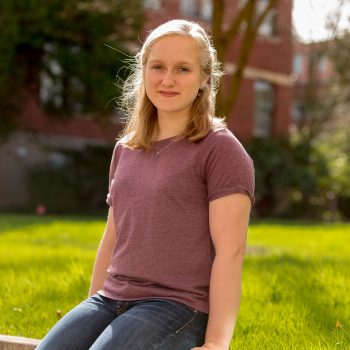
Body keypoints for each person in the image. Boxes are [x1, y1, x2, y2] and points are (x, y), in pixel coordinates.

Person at [36, 19, 255, 350]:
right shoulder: (127, 147)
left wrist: (216, 344)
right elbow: (112, 237)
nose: (167, 79)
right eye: (158, 67)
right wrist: (90, 311)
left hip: (178, 305)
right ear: (144, 73)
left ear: (204, 80)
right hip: (111, 299)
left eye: (183, 69)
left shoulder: (220, 150)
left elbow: (231, 252)